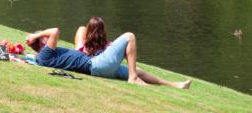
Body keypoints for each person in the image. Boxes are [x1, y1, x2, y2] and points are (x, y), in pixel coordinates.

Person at [27, 23, 191, 88]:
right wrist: (35, 36)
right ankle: (132, 78)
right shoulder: (45, 53)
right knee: (129, 36)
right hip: (96, 65)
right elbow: (55, 30)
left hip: (98, 66)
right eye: (44, 37)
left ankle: (174, 85)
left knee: (136, 69)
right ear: (42, 42)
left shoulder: (44, 57)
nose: (47, 37)